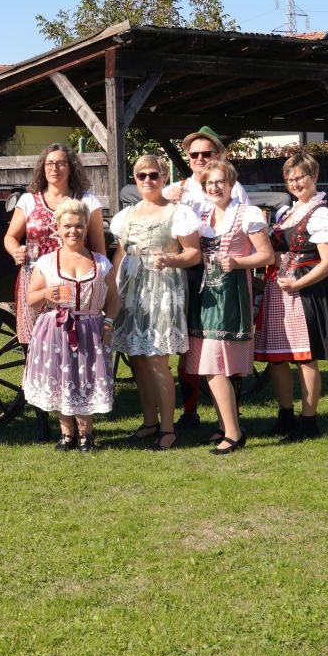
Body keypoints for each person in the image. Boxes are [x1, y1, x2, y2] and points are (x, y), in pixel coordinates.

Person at [4, 143, 106, 440]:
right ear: (42, 167)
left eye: (61, 163)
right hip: (36, 280)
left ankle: (78, 423)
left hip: (76, 283)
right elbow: (11, 237)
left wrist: (98, 285)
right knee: (35, 349)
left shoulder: (87, 200)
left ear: (71, 167)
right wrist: (16, 252)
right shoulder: (29, 200)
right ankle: (42, 422)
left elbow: (99, 248)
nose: (55, 168)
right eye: (49, 163)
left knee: (74, 350)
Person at [109, 154, 202, 451]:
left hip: (162, 288)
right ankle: (149, 421)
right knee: (136, 359)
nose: (148, 180)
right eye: (141, 175)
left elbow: (194, 254)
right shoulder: (127, 215)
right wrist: (112, 293)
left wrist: (171, 258)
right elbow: (120, 257)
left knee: (157, 359)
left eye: (154, 175)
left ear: (164, 177)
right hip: (132, 290)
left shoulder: (178, 212)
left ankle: (168, 427)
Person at [254, 150, 328, 442]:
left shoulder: (321, 214)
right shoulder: (286, 212)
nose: (295, 184)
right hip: (278, 291)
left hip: (302, 291)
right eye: (290, 179)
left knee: (304, 358)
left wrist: (298, 284)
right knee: (277, 358)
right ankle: (285, 416)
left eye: (301, 177)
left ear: (314, 177)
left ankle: (309, 421)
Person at [183, 160, 274, 453]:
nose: (214, 187)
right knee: (209, 364)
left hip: (231, 295)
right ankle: (225, 425)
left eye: (220, 182)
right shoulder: (203, 214)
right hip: (205, 294)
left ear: (232, 184)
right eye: (209, 183)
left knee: (215, 364)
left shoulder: (247, 214)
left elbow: (267, 255)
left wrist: (237, 262)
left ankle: (233, 433)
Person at [164, 126, 248, 432]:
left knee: (221, 346)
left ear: (220, 155)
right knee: (189, 345)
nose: (200, 158)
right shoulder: (177, 188)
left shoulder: (232, 189)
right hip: (185, 271)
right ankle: (189, 411)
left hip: (220, 273)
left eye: (206, 153)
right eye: (194, 154)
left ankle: (229, 420)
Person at [22, 201, 120, 452]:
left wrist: (107, 322)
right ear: (58, 228)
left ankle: (87, 435)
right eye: (67, 226)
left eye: (78, 226)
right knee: (60, 378)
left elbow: (114, 299)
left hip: (90, 327)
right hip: (55, 327)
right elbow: (31, 299)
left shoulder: (100, 263)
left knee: (86, 377)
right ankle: (67, 435)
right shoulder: (46, 262)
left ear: (86, 228)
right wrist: (46, 292)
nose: (73, 231)